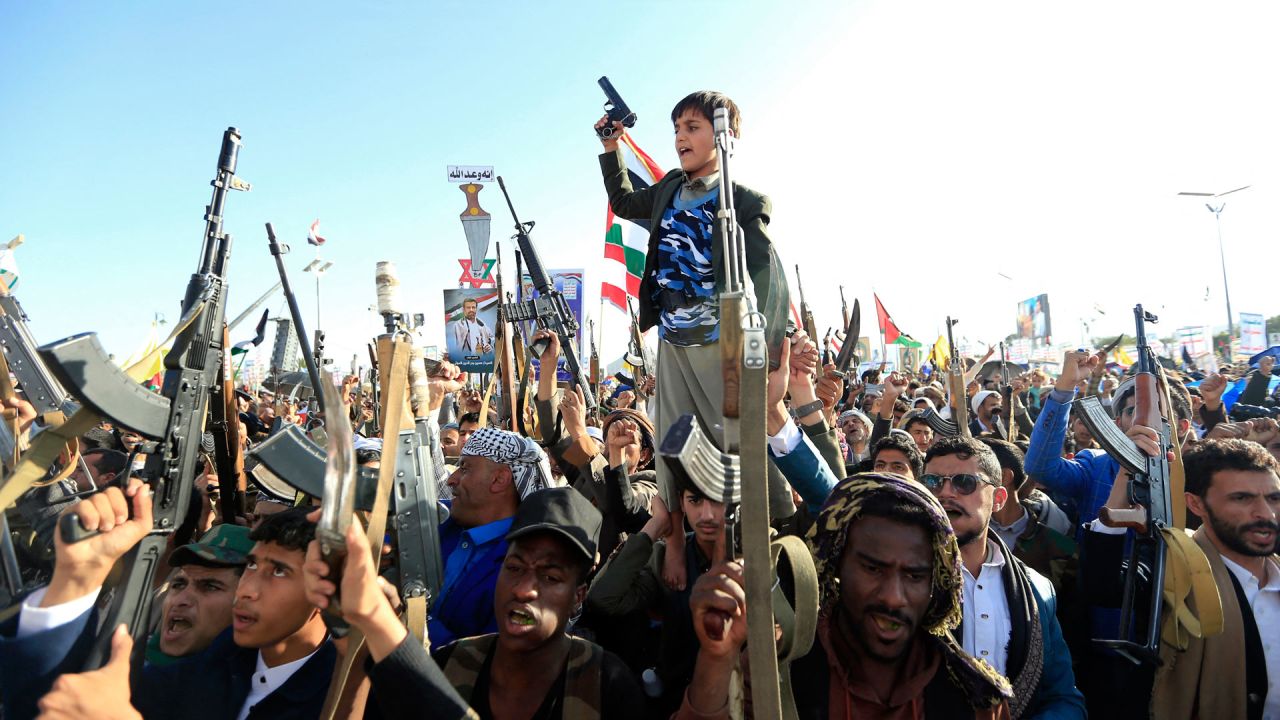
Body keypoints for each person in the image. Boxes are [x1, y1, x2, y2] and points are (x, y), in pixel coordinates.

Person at [597, 89, 794, 593]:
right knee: (671, 445)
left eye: (693, 127)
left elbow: (766, 274)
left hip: (719, 342)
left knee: (735, 442)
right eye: (677, 128)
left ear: (724, 136)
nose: (682, 137)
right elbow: (622, 202)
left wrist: (772, 351)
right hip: (674, 341)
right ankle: (677, 539)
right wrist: (610, 148)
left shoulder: (744, 201)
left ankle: (757, 539)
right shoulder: (667, 190)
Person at [675, 472, 1014, 718]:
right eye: (872, 569)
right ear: (836, 565)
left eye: (914, 576)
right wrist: (717, 658)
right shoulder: (779, 673)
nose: (893, 598)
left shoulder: (974, 696)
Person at [0, 489, 335, 720]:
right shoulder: (203, 672)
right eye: (251, 565)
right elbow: (53, 707)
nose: (248, 590)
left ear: (329, 590)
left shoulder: (355, 690)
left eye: (278, 571)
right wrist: (77, 578)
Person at [1081, 438, 1280, 719]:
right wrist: (1126, 474)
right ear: (1196, 504)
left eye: (1274, 498)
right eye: (1242, 498)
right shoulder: (1172, 569)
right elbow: (1103, 587)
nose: (1266, 513)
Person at [922, 437, 1085, 719]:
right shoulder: (902, 582)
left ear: (998, 499)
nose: (945, 493)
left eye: (964, 482)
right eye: (933, 482)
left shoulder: (1036, 589)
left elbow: (1063, 697)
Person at [432, 427, 560, 651]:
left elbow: (493, 659)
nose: (452, 480)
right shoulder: (443, 521)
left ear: (499, 479)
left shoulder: (527, 569)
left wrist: (416, 623)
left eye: (464, 468)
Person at [147, 524, 255, 666]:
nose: (181, 600)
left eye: (210, 587)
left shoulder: (252, 684)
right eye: (178, 584)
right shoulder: (123, 661)